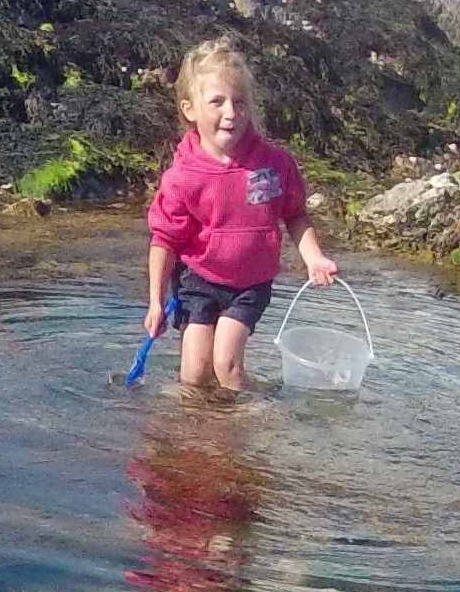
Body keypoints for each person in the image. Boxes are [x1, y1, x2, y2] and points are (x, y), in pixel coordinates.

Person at [141, 37, 340, 393]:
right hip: (197, 280)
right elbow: (165, 241)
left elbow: (295, 215)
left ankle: (255, 413)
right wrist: (155, 302)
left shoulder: (273, 165)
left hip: (250, 283)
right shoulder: (183, 177)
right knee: (194, 372)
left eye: (240, 102)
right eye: (217, 102)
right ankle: (196, 426)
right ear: (190, 109)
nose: (231, 113)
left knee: (227, 365)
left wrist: (314, 258)